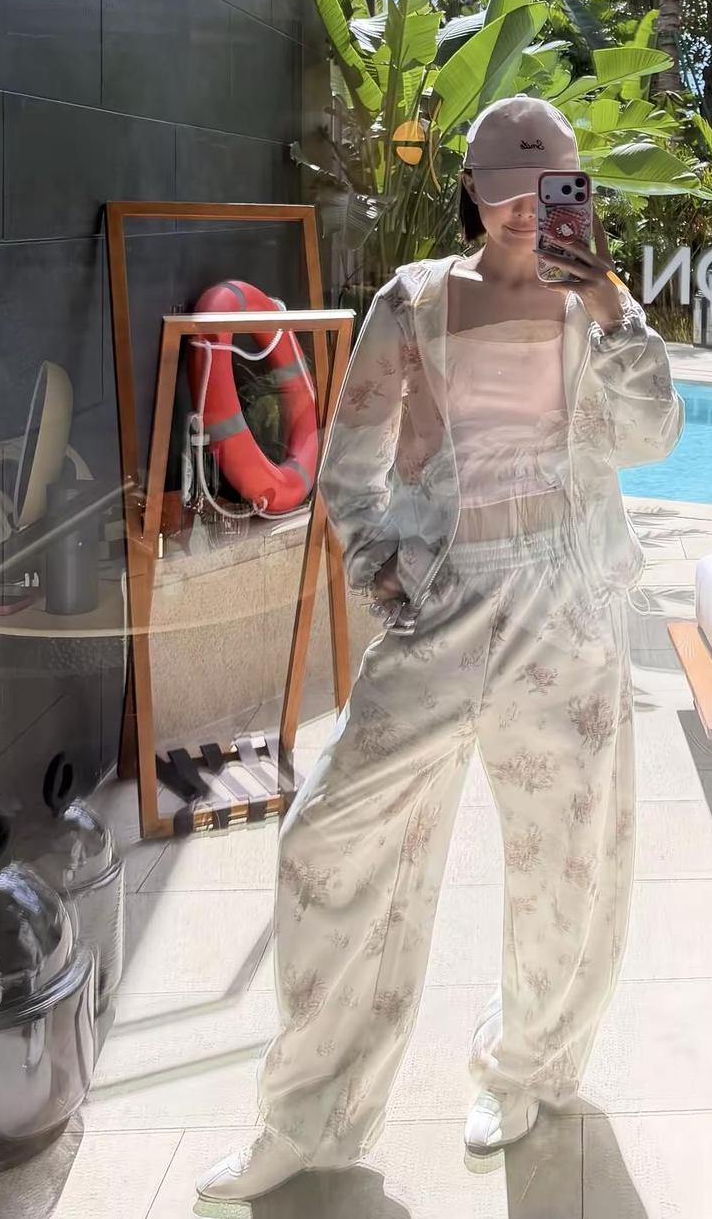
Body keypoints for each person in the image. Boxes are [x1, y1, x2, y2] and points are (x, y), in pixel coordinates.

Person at [199, 95, 683, 1201]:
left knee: (565, 862)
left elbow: (652, 437)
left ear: (575, 194)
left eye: (548, 190)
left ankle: (526, 1070)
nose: (525, 211)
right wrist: (382, 566)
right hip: (446, 605)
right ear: (471, 188)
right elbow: (353, 459)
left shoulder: (596, 308)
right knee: (328, 840)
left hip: (566, 610)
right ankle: (309, 1116)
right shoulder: (414, 300)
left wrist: (609, 303)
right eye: (505, 189)